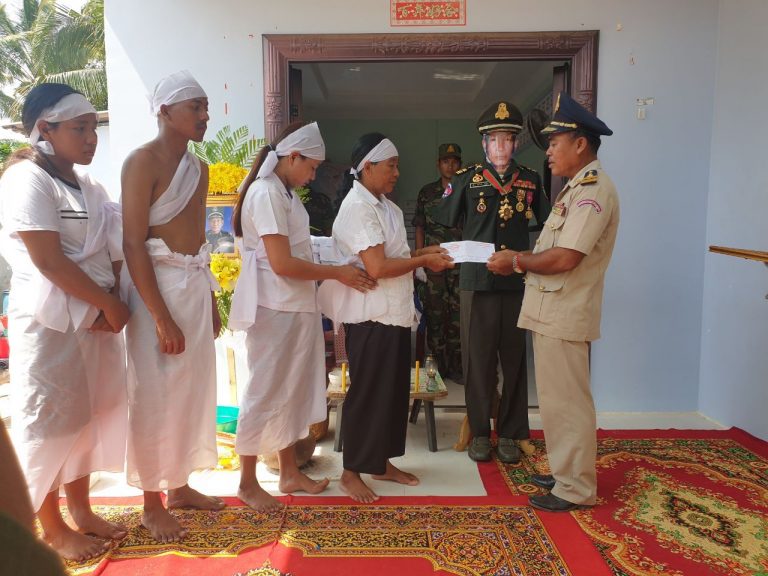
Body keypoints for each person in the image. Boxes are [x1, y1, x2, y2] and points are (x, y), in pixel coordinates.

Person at [0, 83, 129, 560]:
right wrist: (107, 304)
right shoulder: (26, 179)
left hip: (95, 318)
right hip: (50, 323)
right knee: (51, 422)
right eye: (80, 128)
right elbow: (48, 260)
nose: (91, 138)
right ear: (45, 130)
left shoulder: (90, 186)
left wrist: (111, 301)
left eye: (93, 127)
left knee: (89, 416)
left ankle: (82, 510)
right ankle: (51, 528)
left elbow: (111, 247)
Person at [229, 121, 376, 512]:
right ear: (292, 157)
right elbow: (281, 263)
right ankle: (246, 482)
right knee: (264, 391)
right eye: (311, 167)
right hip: (274, 306)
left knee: (290, 390)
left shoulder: (286, 194)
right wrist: (337, 272)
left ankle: (288, 472)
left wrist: (332, 255)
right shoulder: (265, 193)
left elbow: (296, 247)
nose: (313, 176)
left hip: (295, 304)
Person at [487, 92, 619, 512]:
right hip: (552, 310)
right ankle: (566, 472)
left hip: (565, 311)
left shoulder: (593, 191)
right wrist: (521, 260)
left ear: (580, 144)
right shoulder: (574, 189)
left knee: (569, 403)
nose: (548, 152)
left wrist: (516, 261)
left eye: (555, 143)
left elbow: (566, 258)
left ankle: (575, 488)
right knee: (556, 402)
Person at [121, 70, 224, 543]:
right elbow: (133, 243)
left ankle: (179, 487)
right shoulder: (141, 161)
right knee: (153, 394)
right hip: (154, 290)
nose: (205, 116)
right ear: (164, 111)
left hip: (192, 285)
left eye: (206, 107)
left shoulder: (199, 168)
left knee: (191, 389)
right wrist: (160, 317)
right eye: (195, 107)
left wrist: (211, 298)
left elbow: (200, 240)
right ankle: (150, 503)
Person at [329, 133, 453, 503]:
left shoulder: (389, 208)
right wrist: (423, 260)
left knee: (392, 393)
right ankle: (351, 472)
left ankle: (380, 463)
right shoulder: (358, 207)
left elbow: (395, 255)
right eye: (391, 165)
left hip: (395, 313)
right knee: (368, 393)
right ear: (368, 167)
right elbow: (378, 267)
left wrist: (424, 251)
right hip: (370, 316)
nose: (397, 172)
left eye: (397, 165)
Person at [433, 101, 549, 463]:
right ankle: (481, 431)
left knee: (514, 359)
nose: (501, 146)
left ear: (515, 144)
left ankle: (511, 432)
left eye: (508, 139)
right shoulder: (467, 178)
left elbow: (545, 224)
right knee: (478, 360)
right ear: (484, 144)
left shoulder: (530, 178)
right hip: (477, 282)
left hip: (515, 280)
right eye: (494, 139)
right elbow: (445, 217)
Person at [412, 143, 463, 379]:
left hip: (459, 263)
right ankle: (437, 369)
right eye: (445, 161)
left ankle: (458, 367)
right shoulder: (427, 192)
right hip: (433, 264)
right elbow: (419, 227)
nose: (450, 166)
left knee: (458, 315)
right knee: (435, 315)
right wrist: (419, 260)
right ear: (438, 164)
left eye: (454, 161)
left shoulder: (466, 191)